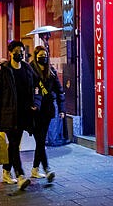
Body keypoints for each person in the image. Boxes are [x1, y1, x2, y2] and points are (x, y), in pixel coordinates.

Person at [0, 40, 41, 190]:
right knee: (13, 144)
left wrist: (35, 103)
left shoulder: (26, 69)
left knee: (14, 144)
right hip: (9, 114)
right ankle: (20, 176)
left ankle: (6, 172)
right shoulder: (4, 72)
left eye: (22, 51)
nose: (20, 54)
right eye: (17, 51)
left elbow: (36, 86)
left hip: (24, 114)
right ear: (11, 53)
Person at [29, 45, 65, 182]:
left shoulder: (51, 71)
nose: (43, 58)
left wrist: (62, 109)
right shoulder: (31, 70)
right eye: (40, 56)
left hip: (48, 110)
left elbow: (59, 90)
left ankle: (36, 169)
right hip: (35, 110)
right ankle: (46, 168)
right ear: (36, 56)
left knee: (40, 140)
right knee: (40, 140)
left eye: (45, 55)